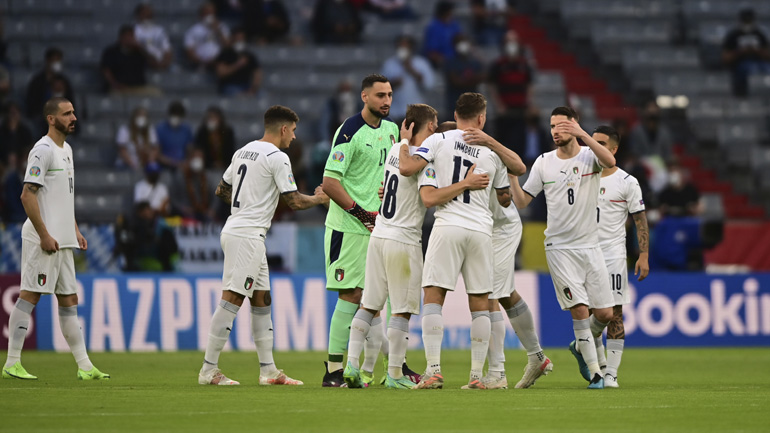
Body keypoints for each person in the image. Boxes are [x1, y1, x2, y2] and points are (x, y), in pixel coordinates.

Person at [198, 105, 329, 386]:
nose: (294, 137)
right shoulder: (278, 157)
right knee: (231, 299)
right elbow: (294, 201)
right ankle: (208, 370)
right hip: (247, 235)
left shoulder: (243, 150)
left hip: (241, 231)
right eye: (292, 131)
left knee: (262, 300)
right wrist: (321, 199)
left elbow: (221, 190)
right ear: (283, 129)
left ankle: (268, 371)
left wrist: (247, 204)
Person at [407, 92, 511, 390]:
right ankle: (477, 376)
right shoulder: (492, 155)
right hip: (481, 231)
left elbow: (413, 167)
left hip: (448, 225)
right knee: (480, 303)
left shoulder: (438, 141)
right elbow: (504, 198)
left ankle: (434, 370)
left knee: (433, 298)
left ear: (455, 114)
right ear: (481, 118)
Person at [2, 97, 109, 381]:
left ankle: (85, 367)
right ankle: (12, 362)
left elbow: (65, 196)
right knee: (30, 295)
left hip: (63, 239)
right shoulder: (42, 150)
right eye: (66, 113)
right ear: (51, 118)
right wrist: (45, 234)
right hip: (43, 239)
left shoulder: (67, 150)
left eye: (74, 112)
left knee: (69, 300)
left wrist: (73, 229)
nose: (73, 117)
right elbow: (27, 195)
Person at [509, 106, 616, 389]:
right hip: (560, 247)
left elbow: (610, 160)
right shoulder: (544, 162)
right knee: (579, 309)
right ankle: (595, 373)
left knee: (605, 314)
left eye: (562, 125)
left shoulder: (589, 157)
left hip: (590, 245)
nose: (556, 131)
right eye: (553, 126)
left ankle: (580, 346)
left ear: (575, 125)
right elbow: (522, 201)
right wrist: (511, 178)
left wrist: (583, 135)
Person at [320, 74, 401, 387]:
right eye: (380, 95)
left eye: (390, 95)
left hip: (378, 226)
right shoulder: (349, 131)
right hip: (349, 227)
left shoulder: (392, 130)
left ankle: (384, 370)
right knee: (352, 295)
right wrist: (361, 212)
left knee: (378, 300)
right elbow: (329, 182)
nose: (387, 101)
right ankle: (332, 370)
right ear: (364, 97)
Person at [461, 126, 554, 389]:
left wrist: (490, 139)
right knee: (504, 294)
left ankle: (498, 373)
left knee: (487, 294)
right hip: (482, 228)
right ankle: (537, 357)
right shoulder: (448, 154)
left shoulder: (486, 150)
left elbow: (519, 167)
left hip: (501, 228)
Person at [594, 125, 650, 388]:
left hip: (613, 255)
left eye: (601, 144)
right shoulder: (582, 174)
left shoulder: (627, 182)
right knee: (590, 314)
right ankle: (598, 367)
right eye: (592, 143)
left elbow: (640, 220)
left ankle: (611, 373)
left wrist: (644, 255)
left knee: (615, 314)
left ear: (614, 150)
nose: (594, 147)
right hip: (582, 254)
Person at [488, 30, 533, 153]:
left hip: (520, 111)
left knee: (519, 143)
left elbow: (529, 85)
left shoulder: (524, 65)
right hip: (504, 112)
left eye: (513, 41)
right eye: (508, 41)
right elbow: (492, 86)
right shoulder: (498, 65)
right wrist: (498, 105)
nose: (511, 44)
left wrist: (528, 103)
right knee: (502, 144)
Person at [381, 35, 435, 122]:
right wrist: (392, 84)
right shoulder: (389, 64)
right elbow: (380, 89)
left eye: (405, 46)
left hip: (416, 114)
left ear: (411, 48)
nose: (403, 49)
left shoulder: (421, 63)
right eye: (400, 46)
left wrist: (411, 70)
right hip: (394, 113)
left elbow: (429, 85)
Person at [722, 8, 770, 97]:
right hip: (740, 64)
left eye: (749, 21)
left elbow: (767, 54)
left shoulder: (759, 34)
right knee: (751, 69)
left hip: (760, 62)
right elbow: (726, 58)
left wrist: (756, 50)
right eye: (746, 21)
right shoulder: (734, 35)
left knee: (767, 70)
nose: (748, 24)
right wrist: (740, 51)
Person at [100, 25, 159, 95]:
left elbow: (154, 63)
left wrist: (141, 49)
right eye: (129, 36)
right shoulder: (111, 52)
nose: (131, 38)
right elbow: (106, 70)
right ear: (121, 37)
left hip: (138, 88)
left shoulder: (139, 52)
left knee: (156, 93)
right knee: (114, 96)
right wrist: (114, 84)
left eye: (133, 36)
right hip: (120, 88)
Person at [25, 47, 75, 122]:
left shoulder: (64, 81)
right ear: (48, 61)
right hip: (41, 118)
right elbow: (32, 106)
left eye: (59, 60)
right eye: (54, 60)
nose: (57, 63)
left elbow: (71, 103)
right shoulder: (37, 82)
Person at [445, 34, 484, 121]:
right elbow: (456, 81)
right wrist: (473, 79)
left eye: (464, 41)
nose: (462, 44)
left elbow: (484, 76)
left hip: (473, 106)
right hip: (455, 105)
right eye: (459, 42)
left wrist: (466, 79)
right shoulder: (451, 62)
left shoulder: (475, 61)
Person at [214, 28, 262, 96]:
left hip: (246, 86)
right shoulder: (225, 54)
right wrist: (237, 65)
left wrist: (253, 89)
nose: (240, 41)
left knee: (262, 95)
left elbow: (257, 73)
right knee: (238, 95)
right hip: (229, 86)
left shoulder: (249, 55)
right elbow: (220, 73)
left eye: (242, 39)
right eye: (237, 39)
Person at [185, 2, 231, 70]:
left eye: (211, 14)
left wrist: (218, 30)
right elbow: (189, 51)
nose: (209, 16)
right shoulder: (193, 30)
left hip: (219, 64)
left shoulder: (222, 27)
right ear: (201, 15)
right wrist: (202, 62)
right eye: (206, 14)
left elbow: (228, 46)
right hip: (200, 64)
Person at [115, 106, 158, 171]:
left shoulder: (150, 130)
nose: (141, 119)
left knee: (154, 168)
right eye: (139, 116)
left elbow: (155, 149)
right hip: (127, 163)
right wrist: (133, 165)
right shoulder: (124, 130)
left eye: (143, 117)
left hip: (144, 162)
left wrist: (149, 161)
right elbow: (122, 150)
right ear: (134, 118)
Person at [194, 106, 236, 171]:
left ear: (220, 119)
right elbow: (199, 150)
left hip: (225, 165)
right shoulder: (202, 132)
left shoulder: (227, 132)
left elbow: (230, 151)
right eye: (210, 117)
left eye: (214, 117)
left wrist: (222, 163)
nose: (212, 120)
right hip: (207, 166)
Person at [155, 101, 194, 171]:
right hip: (164, 166)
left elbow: (190, 150)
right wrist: (172, 162)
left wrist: (186, 162)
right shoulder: (160, 129)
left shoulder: (186, 129)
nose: (176, 118)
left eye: (178, 116)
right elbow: (157, 153)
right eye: (174, 115)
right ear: (169, 115)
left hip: (182, 166)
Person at [423, 1, 462, 68]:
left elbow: (461, 40)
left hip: (456, 59)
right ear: (444, 12)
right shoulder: (434, 27)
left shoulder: (454, 24)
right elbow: (432, 53)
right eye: (450, 12)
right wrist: (448, 63)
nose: (452, 14)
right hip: (442, 63)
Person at [133, 3, 173, 70]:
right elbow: (136, 49)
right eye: (145, 14)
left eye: (150, 15)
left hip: (161, 63)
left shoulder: (159, 30)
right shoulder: (133, 30)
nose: (148, 16)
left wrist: (165, 63)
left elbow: (167, 49)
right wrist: (151, 60)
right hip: (143, 62)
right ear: (139, 15)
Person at [0, 102, 34, 168]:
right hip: (4, 162)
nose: (13, 116)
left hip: (21, 160)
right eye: (11, 113)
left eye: (15, 113)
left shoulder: (25, 131)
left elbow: (29, 147)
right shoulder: (2, 130)